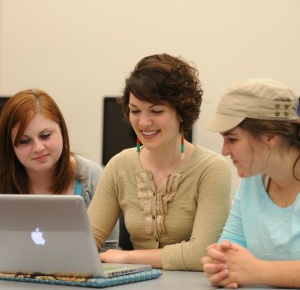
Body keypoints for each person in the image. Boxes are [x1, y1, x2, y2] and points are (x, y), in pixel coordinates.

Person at [87, 53, 232, 271]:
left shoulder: (212, 169)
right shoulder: (120, 165)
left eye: (156, 111)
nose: (143, 122)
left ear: (181, 112)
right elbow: (86, 241)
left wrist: (126, 257)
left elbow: (201, 253)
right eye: (135, 110)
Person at [201, 78, 300, 288]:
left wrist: (257, 271)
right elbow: (230, 244)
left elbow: (251, 269)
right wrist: (219, 264)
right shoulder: (254, 177)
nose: (224, 151)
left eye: (233, 139)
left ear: (270, 136)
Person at [0, 89, 119, 251]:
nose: (38, 148)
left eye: (46, 135)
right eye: (24, 141)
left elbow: (108, 253)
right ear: (9, 146)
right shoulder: (3, 179)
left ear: (62, 130)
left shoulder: (93, 176)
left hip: (83, 276)